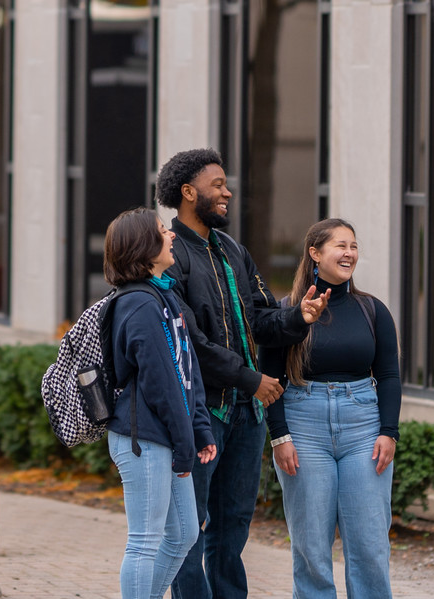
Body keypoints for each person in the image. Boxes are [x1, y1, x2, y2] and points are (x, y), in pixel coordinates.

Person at [155, 149, 324, 599]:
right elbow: (187, 342)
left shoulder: (233, 251)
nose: (227, 191)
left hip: (246, 418)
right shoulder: (170, 253)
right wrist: (252, 380)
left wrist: (298, 318)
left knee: (232, 532)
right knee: (188, 530)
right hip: (203, 413)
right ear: (189, 193)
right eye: (217, 184)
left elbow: (262, 320)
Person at [259, 219, 400, 599]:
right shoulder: (287, 311)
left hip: (363, 427)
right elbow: (270, 381)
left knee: (370, 546)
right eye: (340, 245)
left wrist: (389, 431)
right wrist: (280, 437)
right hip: (303, 425)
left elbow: (388, 375)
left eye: (353, 246)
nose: (349, 253)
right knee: (311, 549)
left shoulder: (372, 309)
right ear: (315, 253)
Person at [101, 207, 220, 599]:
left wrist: (199, 428)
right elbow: (161, 384)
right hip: (143, 439)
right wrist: (186, 446)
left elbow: (188, 373)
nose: (170, 235)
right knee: (145, 541)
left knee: (184, 533)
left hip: (167, 438)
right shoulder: (138, 304)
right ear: (143, 246)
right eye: (161, 231)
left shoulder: (163, 297)